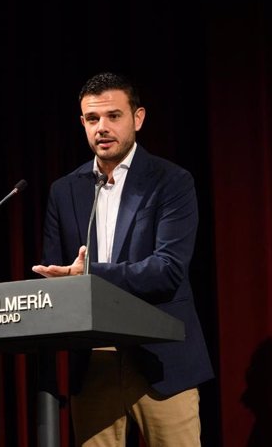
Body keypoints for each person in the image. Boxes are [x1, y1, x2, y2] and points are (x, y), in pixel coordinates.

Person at [32, 72, 214, 447]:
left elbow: (168, 270)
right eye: (92, 119)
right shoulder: (64, 191)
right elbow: (55, 273)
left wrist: (88, 275)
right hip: (94, 360)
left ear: (138, 118)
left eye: (114, 116)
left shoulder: (171, 181)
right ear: (82, 123)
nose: (102, 127)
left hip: (162, 359)